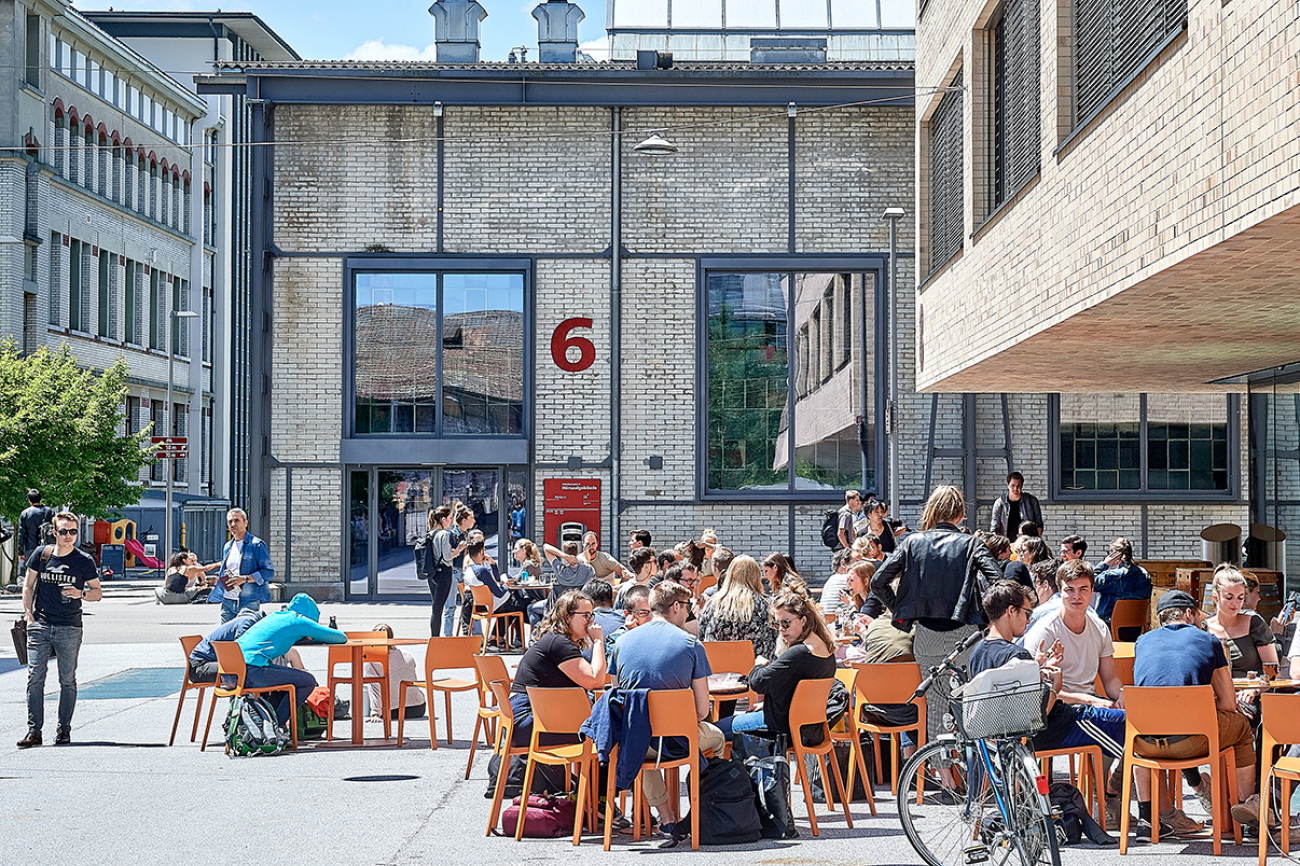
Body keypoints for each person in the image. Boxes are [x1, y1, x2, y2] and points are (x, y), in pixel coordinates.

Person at [968, 581, 1140, 824]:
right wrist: (1055, 684)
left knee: (1124, 721)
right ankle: (1140, 807)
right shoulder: (1015, 654)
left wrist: (1037, 667)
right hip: (1054, 728)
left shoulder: (978, 651)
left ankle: (1114, 798)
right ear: (1010, 611)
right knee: (1137, 724)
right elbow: (1037, 713)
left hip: (1000, 735)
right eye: (1026, 613)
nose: (1028, 621)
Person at [871, 485, 1003, 743]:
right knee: (970, 704)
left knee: (936, 707)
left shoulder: (912, 542)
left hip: (927, 635)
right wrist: (986, 618)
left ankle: (945, 778)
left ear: (931, 510)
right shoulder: (971, 544)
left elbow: (878, 581)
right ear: (960, 514)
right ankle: (973, 773)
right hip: (966, 634)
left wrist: (903, 609)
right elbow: (997, 581)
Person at [1133, 590, 1265, 829]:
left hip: (1143, 744)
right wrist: (1201, 705)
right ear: (1189, 613)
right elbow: (1227, 704)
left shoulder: (1142, 641)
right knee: (1243, 729)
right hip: (1192, 740)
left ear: (1161, 617)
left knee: (1163, 726)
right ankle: (1248, 816)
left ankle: (1147, 819)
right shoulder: (1209, 640)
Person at [609, 581, 725, 832]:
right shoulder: (691, 644)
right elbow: (702, 711)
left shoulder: (621, 643)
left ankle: (666, 816)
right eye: (687, 607)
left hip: (639, 745)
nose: (688, 613)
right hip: (679, 739)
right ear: (675, 607)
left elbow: (617, 698)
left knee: (639, 732)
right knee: (718, 739)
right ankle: (704, 807)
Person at [18, 512, 101, 748]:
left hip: (69, 626)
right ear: (54, 533)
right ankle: (34, 731)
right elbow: (28, 585)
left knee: (67, 680)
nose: (68, 536)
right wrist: (29, 615)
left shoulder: (84, 560)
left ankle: (63, 730)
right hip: (40, 625)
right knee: (35, 677)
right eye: (63, 531)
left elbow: (97, 592)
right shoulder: (41, 554)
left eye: (73, 531)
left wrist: (80, 594)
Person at [718, 590, 837, 740]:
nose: (781, 629)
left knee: (711, 732)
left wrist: (759, 664)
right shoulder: (825, 649)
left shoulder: (800, 653)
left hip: (781, 728)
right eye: (776, 623)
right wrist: (770, 705)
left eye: (786, 623)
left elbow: (757, 682)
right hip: (808, 728)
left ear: (803, 620)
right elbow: (796, 694)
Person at [1022, 560, 1126, 710]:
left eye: (1083, 589)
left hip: (1092, 702)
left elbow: (1110, 680)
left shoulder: (1100, 627)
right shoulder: (1044, 631)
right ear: (1060, 592)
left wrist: (1122, 694)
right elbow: (1036, 690)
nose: (1076, 596)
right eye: (1069, 590)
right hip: (1058, 708)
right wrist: (1089, 701)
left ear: (1092, 591)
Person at [232, 593, 347, 726]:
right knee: (307, 681)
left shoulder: (276, 616)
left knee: (289, 683)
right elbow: (340, 637)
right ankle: (278, 727)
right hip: (253, 670)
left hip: (234, 669)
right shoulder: (298, 620)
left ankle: (267, 726)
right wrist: (314, 633)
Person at [508, 590, 606, 746]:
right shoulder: (559, 643)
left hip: (530, 717)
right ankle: (591, 770)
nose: (591, 621)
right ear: (567, 617)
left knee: (601, 728)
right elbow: (595, 682)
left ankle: (585, 770)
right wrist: (599, 642)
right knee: (605, 734)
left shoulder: (558, 640)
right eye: (585, 615)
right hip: (528, 720)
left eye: (591, 615)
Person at [696, 555, 777, 660]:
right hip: (755, 670)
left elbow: (701, 635)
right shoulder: (766, 605)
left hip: (717, 668)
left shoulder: (712, 604)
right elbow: (774, 639)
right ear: (757, 576)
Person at [1204, 565, 1277, 678]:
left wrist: (1255, 690)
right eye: (1229, 597)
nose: (1236, 603)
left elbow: (1273, 672)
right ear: (1215, 597)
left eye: (1240, 597)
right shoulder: (1204, 628)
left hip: (1250, 691)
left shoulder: (1254, 623)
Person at [207, 508, 274, 624]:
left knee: (244, 636)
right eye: (230, 521)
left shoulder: (256, 544)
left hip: (248, 600)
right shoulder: (228, 546)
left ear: (246, 523)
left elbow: (268, 572)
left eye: (237, 520)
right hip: (228, 599)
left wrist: (245, 579)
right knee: (225, 637)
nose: (233, 524)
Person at [462, 536, 529, 647]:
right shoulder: (482, 570)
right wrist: (507, 586)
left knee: (509, 606)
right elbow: (499, 593)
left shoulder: (470, 569)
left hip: (481, 605)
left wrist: (493, 564)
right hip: (491, 605)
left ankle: (496, 639)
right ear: (481, 553)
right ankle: (507, 639)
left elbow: (496, 581)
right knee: (520, 606)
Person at [364, 623, 426, 721]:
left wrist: (376, 713)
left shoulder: (372, 662)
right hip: (418, 708)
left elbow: (374, 687)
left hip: (392, 711)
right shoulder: (407, 655)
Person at [187, 609, 266, 683]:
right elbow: (240, 651)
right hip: (199, 668)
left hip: (205, 662)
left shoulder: (248, 619)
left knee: (244, 669)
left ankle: (241, 696)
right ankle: (240, 697)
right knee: (245, 671)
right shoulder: (247, 623)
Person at [1091, 537, 1151, 623]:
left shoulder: (1111, 576)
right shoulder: (1145, 574)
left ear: (1115, 556)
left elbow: (1090, 583)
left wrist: (1104, 564)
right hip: (1136, 626)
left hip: (1109, 626)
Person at [423, 506, 462, 637]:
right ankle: (435, 639)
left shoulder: (430, 533)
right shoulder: (444, 534)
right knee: (438, 609)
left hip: (432, 573)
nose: (451, 521)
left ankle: (434, 636)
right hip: (444, 573)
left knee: (436, 607)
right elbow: (447, 557)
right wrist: (459, 549)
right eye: (450, 518)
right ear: (443, 519)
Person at [990, 471, 1043, 537]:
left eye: (1018, 486)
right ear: (1008, 485)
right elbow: (994, 527)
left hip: (1026, 542)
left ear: (1022, 486)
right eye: (1013, 485)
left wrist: (1035, 540)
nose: (1015, 488)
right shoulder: (1000, 503)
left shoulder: (1031, 501)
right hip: (1006, 542)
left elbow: (1039, 524)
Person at [604, 584, 651, 657]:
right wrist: (634, 634)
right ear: (627, 614)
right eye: (643, 613)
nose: (650, 617)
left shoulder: (663, 631)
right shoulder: (617, 638)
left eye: (654, 611)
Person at [18, 488, 54, 559]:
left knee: (31, 569)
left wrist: (20, 552)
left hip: (31, 548)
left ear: (29, 501)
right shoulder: (49, 511)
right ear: (40, 500)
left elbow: (21, 534)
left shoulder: (25, 513)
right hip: (47, 547)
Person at [820, 549, 853, 618]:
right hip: (841, 623)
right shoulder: (848, 579)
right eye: (856, 561)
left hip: (826, 622)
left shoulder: (830, 580)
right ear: (843, 564)